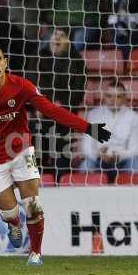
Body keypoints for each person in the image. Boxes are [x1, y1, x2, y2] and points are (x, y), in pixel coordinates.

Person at [0, 45, 111, 266]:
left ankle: (36, 253)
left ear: (5, 62)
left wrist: (88, 127)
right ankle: (13, 224)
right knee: (10, 212)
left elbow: (51, 110)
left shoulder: (21, 86)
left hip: (21, 151)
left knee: (33, 204)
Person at [27, 27, 86, 181]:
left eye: (62, 36)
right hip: (41, 112)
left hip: (64, 115)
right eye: (55, 35)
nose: (57, 39)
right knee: (35, 139)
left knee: (62, 141)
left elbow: (78, 92)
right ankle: (34, 180)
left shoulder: (77, 61)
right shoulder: (38, 57)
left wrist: (62, 106)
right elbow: (31, 84)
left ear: (68, 40)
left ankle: (62, 180)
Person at [80, 80, 138, 182]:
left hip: (123, 161)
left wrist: (117, 155)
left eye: (118, 96)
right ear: (104, 97)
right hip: (98, 160)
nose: (113, 100)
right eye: (109, 96)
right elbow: (87, 146)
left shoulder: (133, 117)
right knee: (86, 165)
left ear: (124, 98)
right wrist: (98, 155)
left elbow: (136, 150)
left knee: (136, 163)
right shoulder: (94, 115)